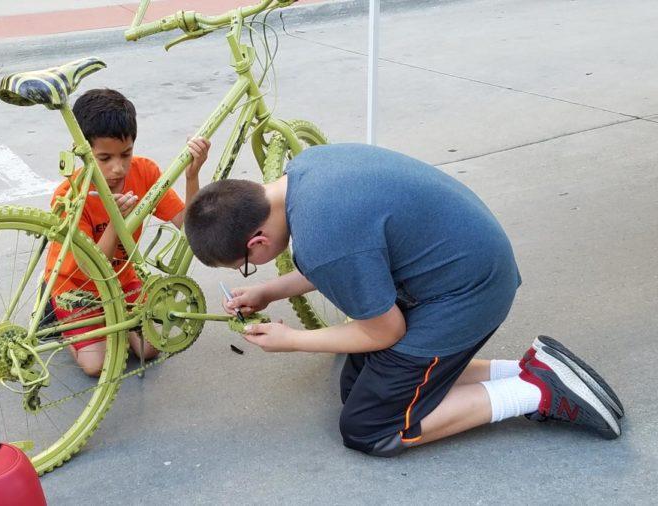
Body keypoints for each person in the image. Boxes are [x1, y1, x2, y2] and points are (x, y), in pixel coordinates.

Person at [183, 143, 623, 456]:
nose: (253, 270)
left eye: (247, 267)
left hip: (465, 295)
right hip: (458, 269)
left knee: (370, 428)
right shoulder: (306, 172)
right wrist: (267, 290)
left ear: (257, 241)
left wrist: (291, 339)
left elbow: (382, 329)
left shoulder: (323, 238)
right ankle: (527, 368)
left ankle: (536, 390)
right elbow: (351, 257)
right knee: (357, 387)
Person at [43, 88, 210, 377]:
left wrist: (192, 175)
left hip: (122, 281)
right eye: (104, 158)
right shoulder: (70, 195)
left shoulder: (144, 172)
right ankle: (57, 319)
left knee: (150, 349)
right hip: (76, 288)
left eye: (126, 154)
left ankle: (111, 326)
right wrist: (115, 222)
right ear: (82, 151)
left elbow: (189, 223)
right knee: (96, 366)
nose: (117, 168)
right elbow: (91, 268)